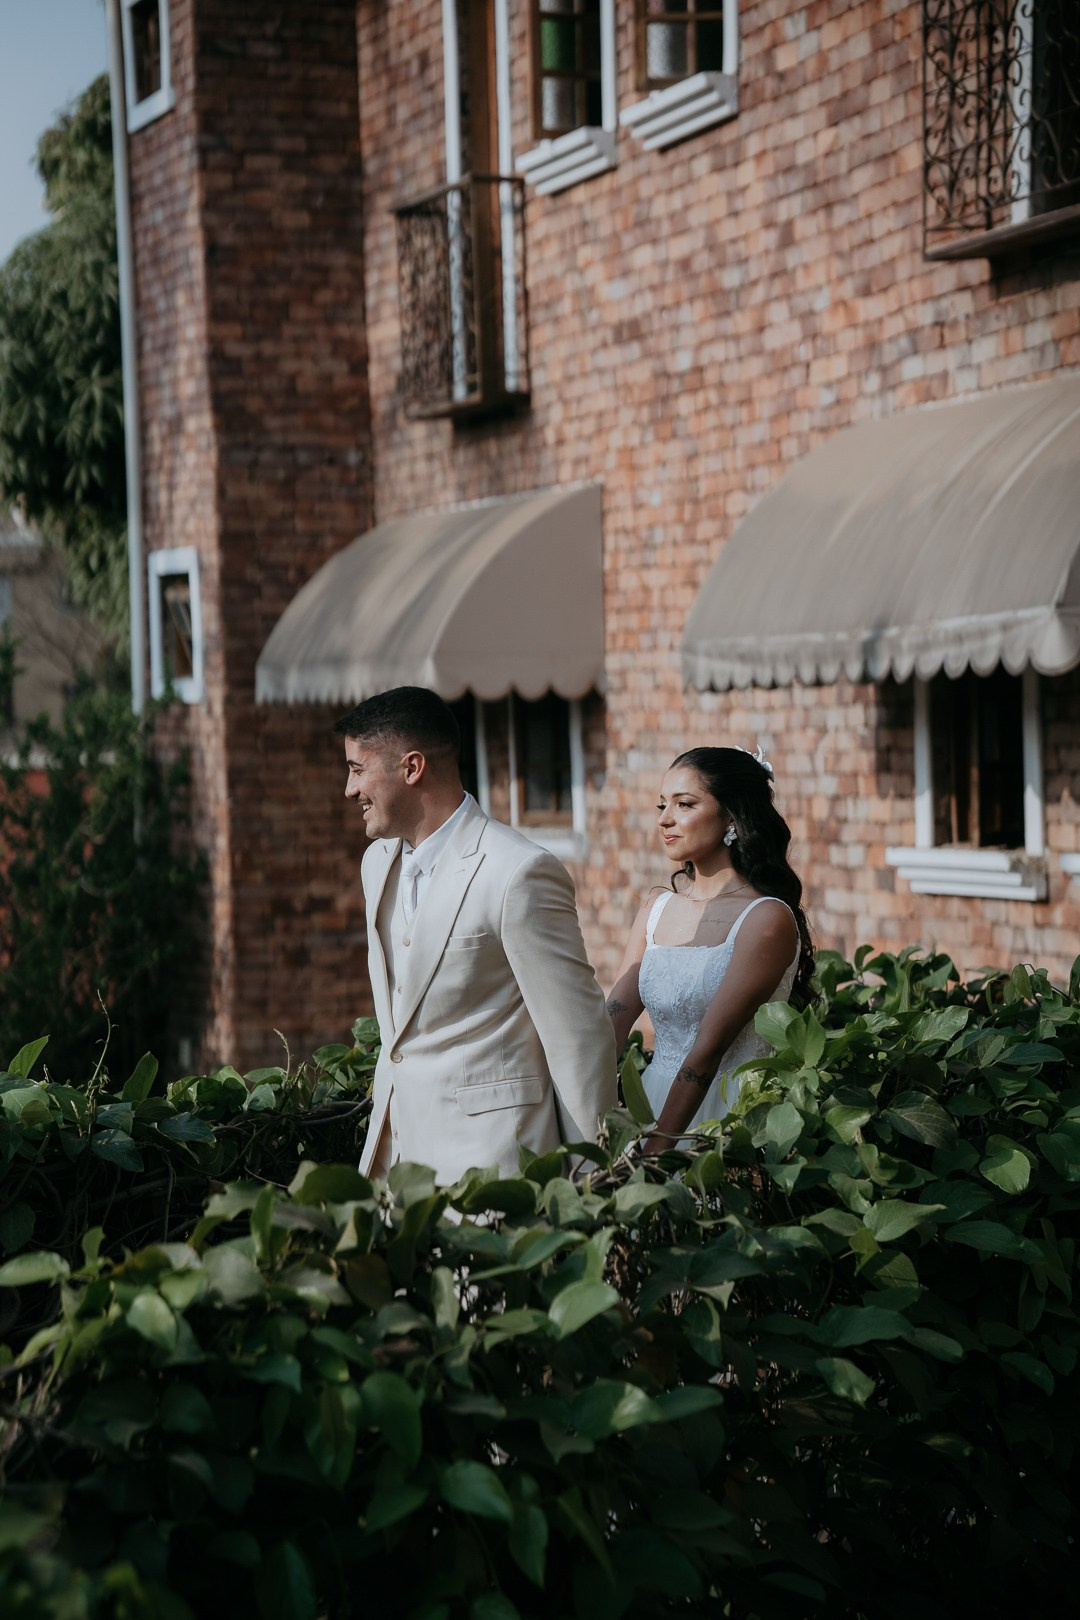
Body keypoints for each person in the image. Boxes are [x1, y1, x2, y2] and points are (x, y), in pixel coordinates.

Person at [335, 686, 616, 1184]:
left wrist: (592, 1178)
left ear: (412, 768)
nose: (349, 789)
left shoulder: (518, 872)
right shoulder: (375, 864)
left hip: (494, 1173)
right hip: (395, 1168)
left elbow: (577, 1037)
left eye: (358, 770)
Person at [607, 746, 812, 1155]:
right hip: (650, 1102)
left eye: (684, 804)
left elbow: (709, 1049)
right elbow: (613, 1017)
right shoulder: (656, 908)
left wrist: (658, 1150)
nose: (665, 819)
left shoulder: (765, 918)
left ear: (731, 817)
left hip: (726, 1118)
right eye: (662, 805)